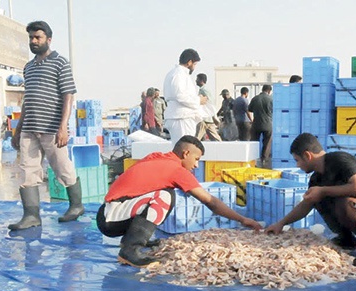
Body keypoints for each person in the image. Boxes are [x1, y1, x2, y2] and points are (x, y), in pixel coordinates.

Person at [96, 136, 263, 267]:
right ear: (186, 154)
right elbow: (210, 201)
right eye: (197, 159)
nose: (197, 165)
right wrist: (242, 219)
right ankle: (130, 250)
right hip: (111, 218)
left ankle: (132, 240)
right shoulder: (176, 170)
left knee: (162, 193)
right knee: (165, 196)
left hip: (110, 212)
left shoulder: (156, 157)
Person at [265, 133, 356, 266]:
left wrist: (323, 190)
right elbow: (306, 204)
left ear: (308, 155)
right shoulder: (316, 179)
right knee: (319, 198)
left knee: (346, 202)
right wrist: (281, 223)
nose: (298, 165)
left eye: (297, 160)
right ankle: (346, 239)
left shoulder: (339, 159)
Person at [9, 21, 84, 230]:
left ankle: (76, 205)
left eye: (38, 37)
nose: (33, 41)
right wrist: (18, 128)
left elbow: (68, 95)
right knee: (27, 171)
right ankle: (31, 215)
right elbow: (27, 99)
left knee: (62, 167)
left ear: (48, 39)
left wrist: (63, 127)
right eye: (31, 37)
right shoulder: (28, 67)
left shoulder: (60, 62)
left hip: (52, 128)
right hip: (29, 127)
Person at [163, 48, 206, 143]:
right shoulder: (179, 74)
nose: (194, 67)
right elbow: (180, 95)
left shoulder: (176, 74)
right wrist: (198, 100)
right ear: (189, 62)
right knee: (184, 149)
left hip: (181, 117)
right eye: (194, 64)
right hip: (181, 118)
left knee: (183, 149)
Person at [248, 84, 273, 166]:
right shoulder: (270, 99)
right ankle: (264, 159)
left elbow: (250, 109)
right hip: (268, 124)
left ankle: (252, 159)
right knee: (267, 142)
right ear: (269, 91)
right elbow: (273, 111)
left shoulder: (255, 98)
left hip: (256, 124)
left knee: (254, 142)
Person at [195, 73, 221, 141]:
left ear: (201, 80)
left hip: (204, 119)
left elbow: (210, 102)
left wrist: (211, 114)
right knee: (215, 138)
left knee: (196, 139)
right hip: (208, 119)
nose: (195, 81)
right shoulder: (204, 89)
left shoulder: (204, 90)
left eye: (197, 79)